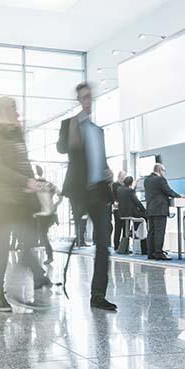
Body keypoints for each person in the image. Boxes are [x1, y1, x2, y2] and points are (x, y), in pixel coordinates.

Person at [0, 96, 51, 312]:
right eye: (13, 109)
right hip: (0, 200)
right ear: (3, 110)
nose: (17, 113)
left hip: (20, 199)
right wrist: (25, 181)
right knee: (1, 246)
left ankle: (37, 276)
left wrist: (35, 184)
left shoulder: (17, 135)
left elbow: (24, 163)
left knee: (28, 240)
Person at [57, 82, 117, 311]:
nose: (87, 100)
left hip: (100, 191)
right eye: (83, 97)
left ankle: (98, 295)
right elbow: (62, 148)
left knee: (103, 243)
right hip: (79, 191)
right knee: (80, 238)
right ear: (78, 99)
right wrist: (75, 126)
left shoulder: (97, 131)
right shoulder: (70, 124)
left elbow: (99, 159)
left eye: (90, 97)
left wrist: (108, 172)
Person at [143, 163, 180, 261]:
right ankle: (159, 253)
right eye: (164, 171)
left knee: (151, 232)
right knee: (160, 232)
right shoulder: (160, 179)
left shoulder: (146, 180)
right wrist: (179, 196)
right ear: (160, 170)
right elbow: (168, 191)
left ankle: (151, 253)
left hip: (150, 209)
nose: (164, 173)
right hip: (160, 209)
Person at [33, 164, 63, 265]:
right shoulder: (49, 184)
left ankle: (49, 255)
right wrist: (55, 205)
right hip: (49, 213)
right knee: (43, 235)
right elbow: (60, 195)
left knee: (42, 235)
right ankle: (49, 255)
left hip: (40, 214)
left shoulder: (35, 185)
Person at [115, 176, 146, 253]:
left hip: (121, 213)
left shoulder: (119, 189)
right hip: (130, 213)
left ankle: (125, 246)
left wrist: (133, 188)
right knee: (145, 217)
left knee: (125, 229)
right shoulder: (130, 191)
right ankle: (133, 230)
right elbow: (137, 202)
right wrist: (144, 210)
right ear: (131, 183)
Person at [111, 170, 128, 251]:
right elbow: (114, 196)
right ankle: (116, 245)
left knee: (125, 228)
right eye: (123, 176)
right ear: (120, 176)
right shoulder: (115, 184)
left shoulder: (125, 185)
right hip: (117, 209)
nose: (124, 177)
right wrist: (114, 202)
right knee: (118, 228)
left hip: (125, 209)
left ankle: (124, 246)